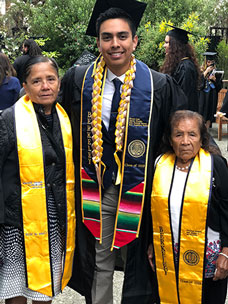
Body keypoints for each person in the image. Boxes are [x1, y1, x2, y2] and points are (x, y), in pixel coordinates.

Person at [60, 1, 188, 303]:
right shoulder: (78, 81)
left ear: (135, 41)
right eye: (107, 37)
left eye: (121, 36)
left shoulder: (158, 86)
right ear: (98, 41)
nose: (114, 44)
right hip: (96, 187)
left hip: (142, 190)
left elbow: (179, 133)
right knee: (99, 261)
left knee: (141, 261)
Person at [0, 56, 76, 303]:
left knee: (45, 286)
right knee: (16, 288)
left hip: (53, 215)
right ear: (25, 85)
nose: (45, 86)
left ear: (59, 83)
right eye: (37, 81)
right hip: (16, 220)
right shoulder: (9, 120)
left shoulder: (65, 119)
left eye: (50, 79)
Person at [148, 110, 228, 304]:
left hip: (208, 258)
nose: (185, 141)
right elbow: (153, 211)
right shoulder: (159, 165)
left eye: (192, 134)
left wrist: (226, 252)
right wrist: (151, 243)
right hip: (168, 255)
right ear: (170, 138)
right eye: (178, 134)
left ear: (202, 138)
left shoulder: (215, 165)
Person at [160, 25, 201, 112]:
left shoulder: (185, 68)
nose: (164, 45)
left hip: (183, 118)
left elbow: (183, 99)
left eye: (167, 42)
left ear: (175, 46)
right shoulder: (179, 64)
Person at [199, 52, 223, 128]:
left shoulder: (217, 71)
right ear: (205, 62)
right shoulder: (200, 70)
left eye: (212, 62)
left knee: (210, 110)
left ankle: (207, 129)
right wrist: (205, 72)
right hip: (203, 94)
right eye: (209, 62)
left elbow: (219, 86)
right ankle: (201, 128)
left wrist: (215, 80)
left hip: (212, 94)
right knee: (202, 110)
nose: (210, 64)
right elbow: (198, 84)